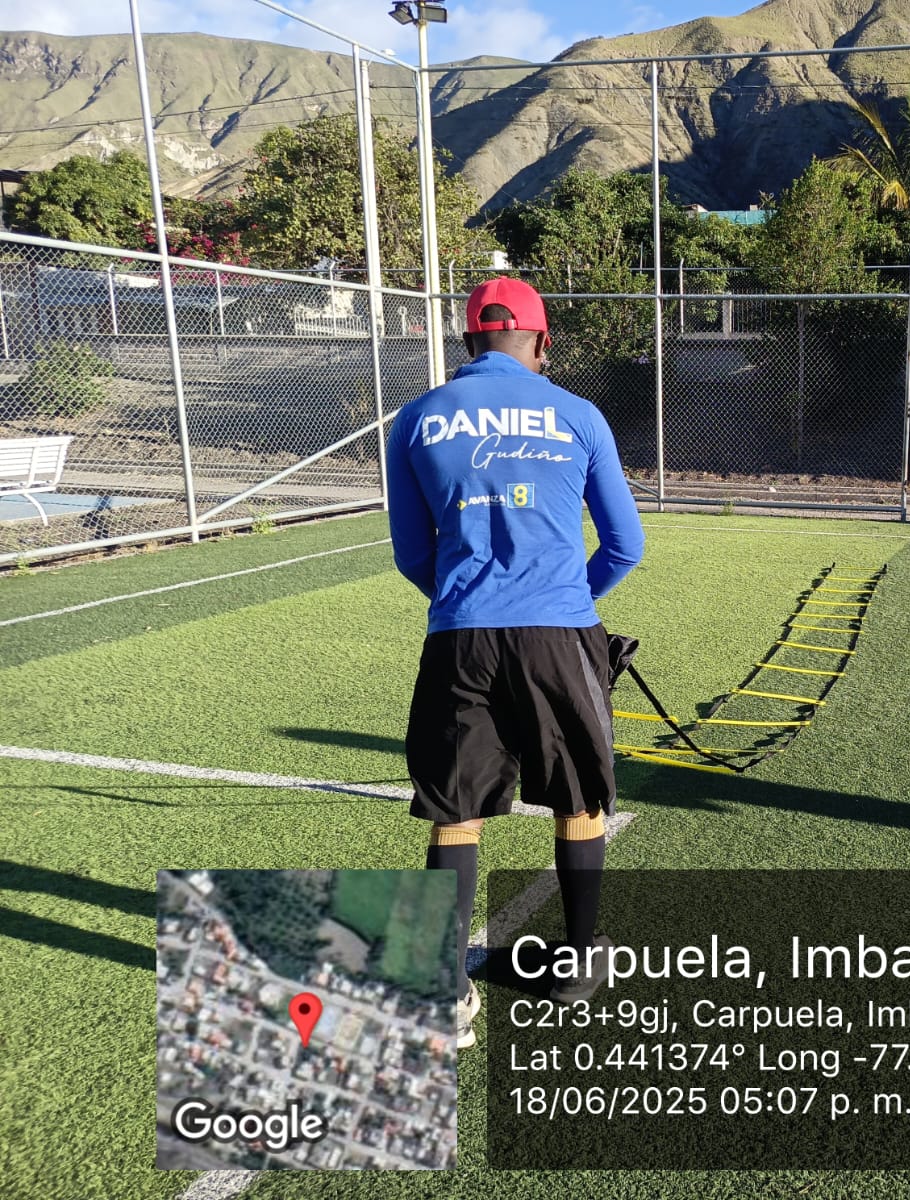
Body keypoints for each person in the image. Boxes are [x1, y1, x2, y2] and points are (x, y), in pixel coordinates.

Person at [385, 277, 645, 1047]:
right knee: (579, 796)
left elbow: (412, 554)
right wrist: (566, 602)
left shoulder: (418, 418)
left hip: (459, 637)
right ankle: (578, 963)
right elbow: (625, 546)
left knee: (455, 811)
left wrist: (470, 602)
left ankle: (444, 994)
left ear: (468, 341)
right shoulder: (580, 415)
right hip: (559, 635)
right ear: (542, 342)